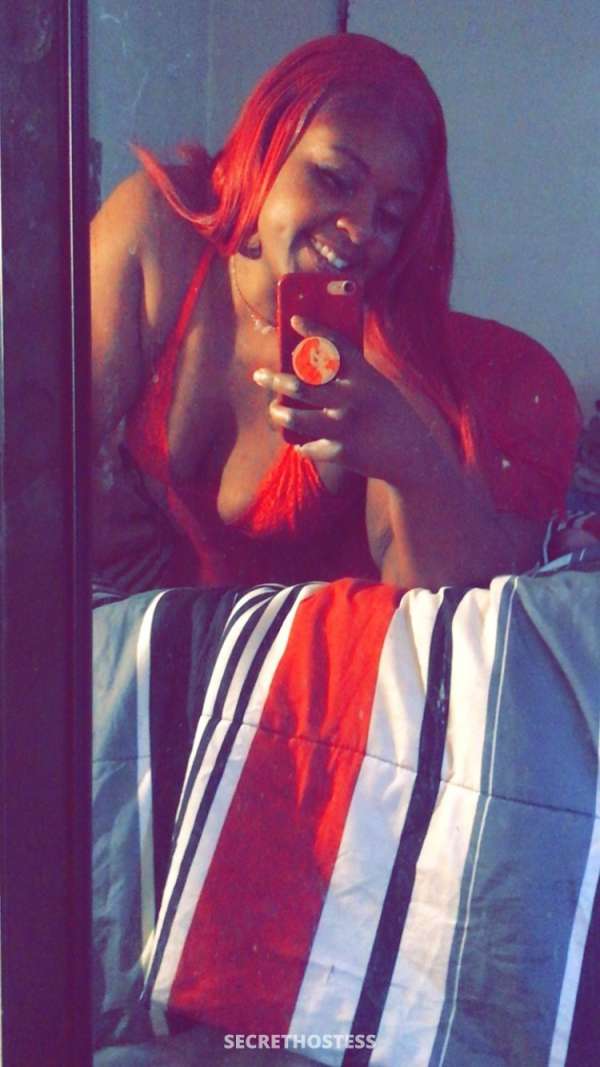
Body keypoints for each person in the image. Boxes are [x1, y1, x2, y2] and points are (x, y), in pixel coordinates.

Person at [91, 32, 580, 595]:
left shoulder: (381, 342)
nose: (361, 228)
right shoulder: (158, 231)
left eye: (391, 215)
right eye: (335, 178)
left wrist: (409, 458)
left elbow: (429, 598)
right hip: (159, 609)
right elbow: (43, 442)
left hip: (285, 635)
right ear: (268, 143)